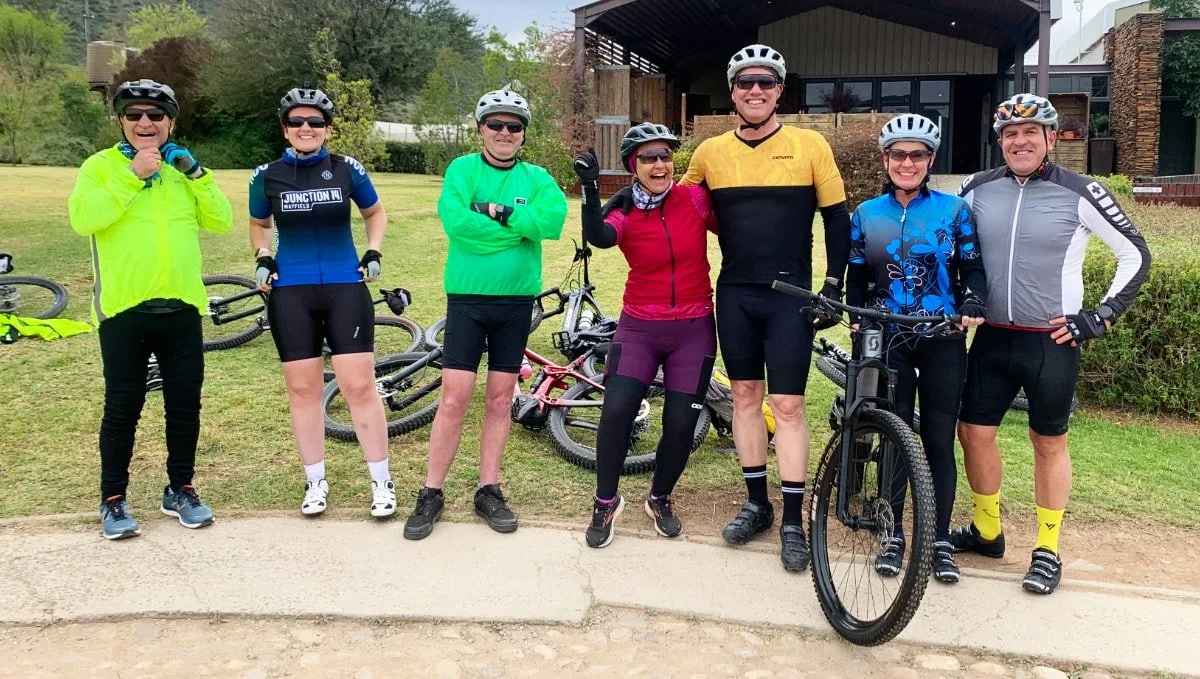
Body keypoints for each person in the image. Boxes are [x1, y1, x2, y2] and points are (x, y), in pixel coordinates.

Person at [954, 93, 1151, 594]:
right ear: (1000, 142)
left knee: (1049, 442)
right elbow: (948, 249)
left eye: (1030, 133)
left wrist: (1100, 316)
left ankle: (1047, 549)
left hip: (1050, 342)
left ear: (1049, 138)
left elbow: (1135, 254)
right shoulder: (976, 188)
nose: (1019, 141)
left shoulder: (1082, 190)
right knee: (973, 434)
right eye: (1009, 135)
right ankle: (987, 530)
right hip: (993, 338)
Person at [680, 44, 853, 571]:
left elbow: (838, 219)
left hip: (791, 298)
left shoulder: (809, 145)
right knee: (744, 396)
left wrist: (832, 284)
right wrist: (621, 205)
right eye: (745, 83)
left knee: (791, 406)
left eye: (766, 83)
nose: (755, 91)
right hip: (734, 292)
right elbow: (679, 209)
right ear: (733, 91)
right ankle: (757, 504)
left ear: (780, 90)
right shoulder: (710, 152)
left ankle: (795, 519)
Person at [68, 79, 232, 540]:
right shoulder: (99, 167)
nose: (146, 122)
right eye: (135, 114)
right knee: (123, 406)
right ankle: (113, 499)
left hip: (180, 306)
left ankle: (181, 488)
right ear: (121, 121)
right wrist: (132, 175)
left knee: (184, 405)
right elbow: (85, 219)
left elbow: (221, 220)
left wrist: (197, 174)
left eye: (156, 116)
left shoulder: (183, 170)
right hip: (124, 310)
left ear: (170, 123)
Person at [403, 89, 567, 540]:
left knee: (500, 400)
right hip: (468, 302)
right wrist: (516, 225)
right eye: (496, 125)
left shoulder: (537, 177)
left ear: (522, 134)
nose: (504, 133)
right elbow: (457, 224)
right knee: (454, 398)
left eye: (513, 127)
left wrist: (494, 213)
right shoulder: (462, 170)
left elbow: (549, 224)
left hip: (515, 304)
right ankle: (431, 492)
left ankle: (488, 489)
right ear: (481, 129)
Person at [845, 113, 988, 583]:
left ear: (930, 161)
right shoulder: (866, 215)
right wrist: (857, 318)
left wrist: (972, 300)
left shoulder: (954, 210)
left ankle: (939, 540)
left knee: (938, 441)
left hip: (944, 337)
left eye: (918, 155)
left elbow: (974, 269)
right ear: (886, 160)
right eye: (899, 155)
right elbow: (858, 277)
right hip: (892, 339)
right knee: (893, 434)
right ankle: (892, 534)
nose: (908, 163)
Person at [248, 88, 394, 518]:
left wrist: (374, 250)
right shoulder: (266, 175)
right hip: (291, 292)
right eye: (296, 122)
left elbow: (375, 212)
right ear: (285, 129)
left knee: (359, 387)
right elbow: (259, 224)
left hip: (344, 288)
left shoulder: (347, 169)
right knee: (302, 391)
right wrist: (263, 255)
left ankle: (381, 482)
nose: (305, 128)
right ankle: (315, 483)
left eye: (314, 122)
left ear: (328, 129)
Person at [571, 123, 718, 548]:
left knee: (680, 423)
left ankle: (659, 497)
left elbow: (735, 228)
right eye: (649, 158)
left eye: (666, 156)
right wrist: (590, 187)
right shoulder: (624, 210)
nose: (659, 164)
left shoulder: (693, 198)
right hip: (639, 326)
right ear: (633, 165)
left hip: (694, 327)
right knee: (616, 412)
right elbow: (599, 237)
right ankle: (605, 501)